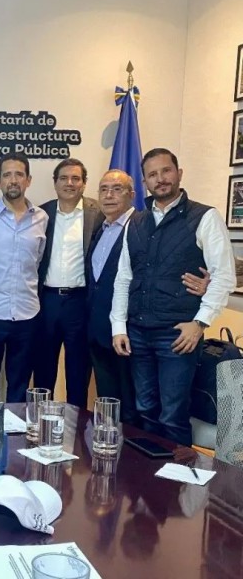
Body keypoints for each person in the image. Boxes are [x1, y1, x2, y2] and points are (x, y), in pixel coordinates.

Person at [111, 148, 235, 445]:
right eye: (152, 174)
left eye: (166, 171)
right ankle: (153, 470)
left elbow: (224, 276)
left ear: (179, 173)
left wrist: (200, 323)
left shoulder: (204, 217)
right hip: (138, 332)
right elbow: (124, 277)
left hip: (178, 334)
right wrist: (118, 326)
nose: (161, 179)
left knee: (173, 414)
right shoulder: (135, 222)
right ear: (145, 182)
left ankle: (179, 473)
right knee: (145, 408)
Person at [88, 169, 210, 424]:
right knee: (109, 405)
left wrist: (208, 283)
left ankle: (136, 450)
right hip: (102, 332)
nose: (109, 195)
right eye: (104, 189)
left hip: (135, 333)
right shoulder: (100, 227)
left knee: (137, 408)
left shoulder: (144, 226)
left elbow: (176, 264)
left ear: (132, 194)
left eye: (117, 189)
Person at [0, 153, 47, 403]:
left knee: (20, 386)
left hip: (27, 315)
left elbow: (38, 261)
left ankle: (16, 430)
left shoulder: (42, 218)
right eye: (7, 175)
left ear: (28, 180)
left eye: (19, 174)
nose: (13, 180)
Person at [34, 159, 103, 408]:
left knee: (78, 372)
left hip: (80, 302)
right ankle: (40, 422)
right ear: (55, 183)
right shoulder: (41, 214)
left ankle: (76, 426)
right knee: (43, 369)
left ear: (84, 183)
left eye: (76, 178)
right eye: (63, 178)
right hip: (47, 300)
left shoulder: (98, 214)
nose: (69, 183)